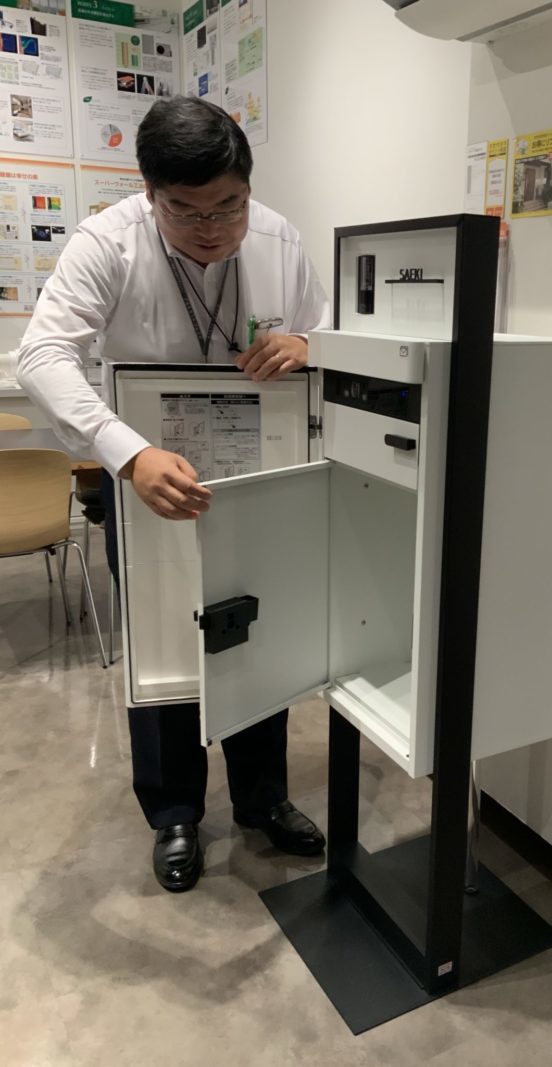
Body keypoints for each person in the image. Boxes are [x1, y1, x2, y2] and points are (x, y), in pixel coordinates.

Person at [17, 96, 330, 893]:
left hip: (257, 472)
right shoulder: (108, 242)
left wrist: (308, 343)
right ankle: (175, 811)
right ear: (149, 191)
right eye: (186, 211)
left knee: (259, 630)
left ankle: (263, 798)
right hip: (148, 475)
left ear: (248, 187)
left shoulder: (279, 239)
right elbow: (43, 355)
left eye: (230, 205)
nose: (212, 228)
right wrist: (127, 454)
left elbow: (326, 336)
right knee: (162, 637)